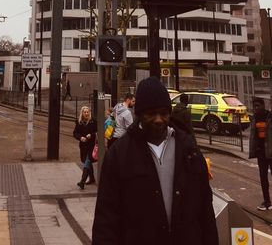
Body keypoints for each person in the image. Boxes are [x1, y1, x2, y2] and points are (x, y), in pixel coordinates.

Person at [93, 77, 218, 244]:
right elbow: (106, 217)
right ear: (139, 115)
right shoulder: (119, 154)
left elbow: (205, 210)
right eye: (151, 114)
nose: (159, 119)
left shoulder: (189, 149)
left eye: (164, 113)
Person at [73, 105, 97, 190]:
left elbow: (98, 131)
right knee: (86, 161)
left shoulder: (93, 121)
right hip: (83, 146)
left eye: (88, 112)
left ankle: (82, 182)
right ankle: (92, 178)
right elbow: (75, 133)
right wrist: (80, 138)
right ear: (82, 113)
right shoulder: (79, 122)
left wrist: (91, 135)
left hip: (91, 146)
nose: (86, 113)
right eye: (85, 112)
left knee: (87, 161)